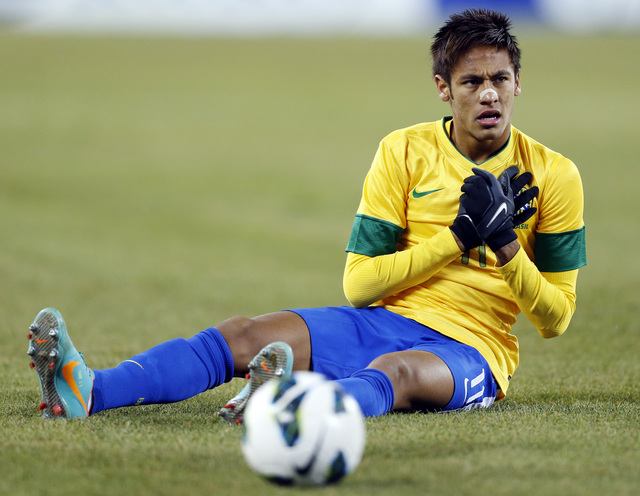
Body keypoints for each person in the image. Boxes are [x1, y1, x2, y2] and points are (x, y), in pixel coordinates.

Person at [26, 9, 586, 422]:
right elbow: (360, 284)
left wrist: (506, 246)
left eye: (500, 80)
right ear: (444, 89)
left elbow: (555, 318)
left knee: (400, 374)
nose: (489, 94)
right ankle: (89, 389)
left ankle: (290, 402)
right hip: (380, 323)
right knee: (241, 336)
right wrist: (458, 238)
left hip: (471, 351)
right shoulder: (403, 151)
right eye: (472, 82)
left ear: (518, 82)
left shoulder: (555, 175)